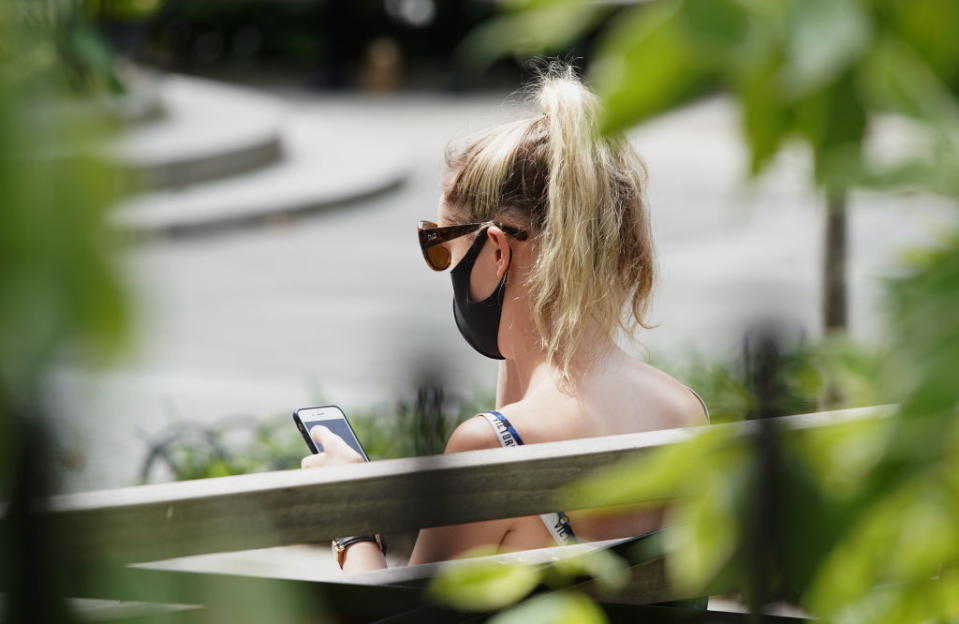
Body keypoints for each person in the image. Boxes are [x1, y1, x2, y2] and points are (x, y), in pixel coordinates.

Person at [302, 65, 710, 574]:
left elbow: (393, 615)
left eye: (442, 247)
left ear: (496, 254)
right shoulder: (683, 410)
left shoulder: (490, 446)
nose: (445, 270)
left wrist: (352, 516)